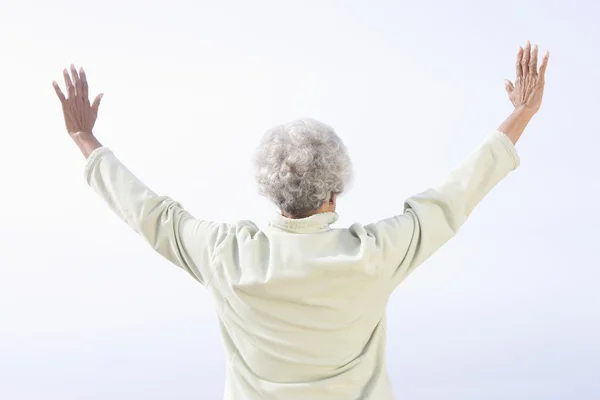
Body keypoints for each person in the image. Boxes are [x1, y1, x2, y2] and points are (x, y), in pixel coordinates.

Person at [53, 41, 549, 399]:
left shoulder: (226, 256)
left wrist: (84, 139)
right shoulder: (373, 255)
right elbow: (453, 197)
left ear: (270, 191)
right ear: (335, 193)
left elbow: (149, 214)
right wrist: (520, 115)